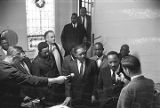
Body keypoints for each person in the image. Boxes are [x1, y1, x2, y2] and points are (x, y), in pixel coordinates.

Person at [0, 46, 66, 108]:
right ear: (14, 58)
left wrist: (22, 97)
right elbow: (29, 79)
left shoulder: (2, 65)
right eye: (18, 60)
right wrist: (56, 80)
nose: (18, 62)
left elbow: (8, 88)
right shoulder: (9, 71)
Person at [31, 42, 65, 107]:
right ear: (40, 51)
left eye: (48, 51)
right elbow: (36, 81)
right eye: (44, 52)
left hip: (56, 88)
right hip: (46, 91)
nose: (47, 53)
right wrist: (41, 96)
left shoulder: (51, 56)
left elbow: (55, 70)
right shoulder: (36, 62)